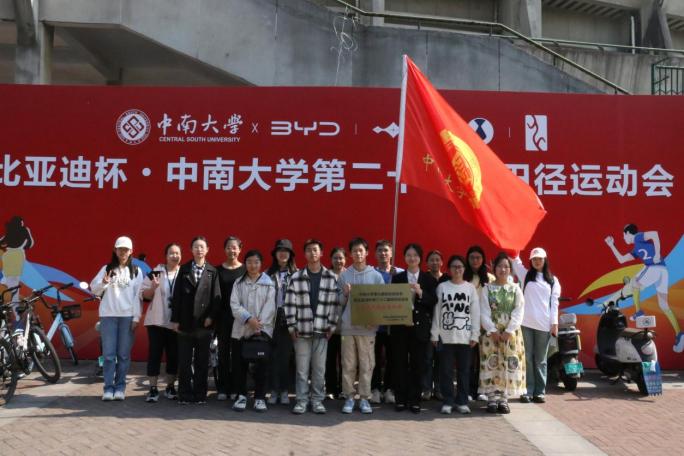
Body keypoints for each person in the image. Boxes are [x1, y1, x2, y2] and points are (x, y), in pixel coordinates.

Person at [605, 224, 683, 352]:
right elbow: (622, 260)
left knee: (635, 282)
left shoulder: (638, 237)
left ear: (628, 233)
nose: (623, 238)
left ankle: (638, 311)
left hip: (654, 268)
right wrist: (611, 245)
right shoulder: (636, 249)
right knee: (664, 305)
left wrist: (657, 253)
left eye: (623, 236)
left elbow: (654, 234)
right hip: (663, 271)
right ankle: (679, 334)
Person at [283, 239, 340, 415]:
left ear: (321, 253)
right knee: (301, 369)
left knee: (319, 369)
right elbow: (289, 304)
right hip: (301, 331)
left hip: (322, 330)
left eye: (315, 250)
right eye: (308, 250)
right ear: (305, 254)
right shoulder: (296, 277)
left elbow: (335, 305)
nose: (312, 253)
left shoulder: (331, 277)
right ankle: (301, 401)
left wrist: (332, 326)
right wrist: (291, 327)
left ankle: (317, 401)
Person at [90, 236, 144, 401]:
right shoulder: (106, 269)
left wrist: (136, 318)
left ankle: (120, 387)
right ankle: (108, 388)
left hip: (127, 317)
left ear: (131, 251)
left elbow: (138, 296)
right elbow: (94, 289)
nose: (123, 252)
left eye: (126, 249)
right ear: (115, 250)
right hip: (108, 316)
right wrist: (103, 282)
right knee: (108, 355)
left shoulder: (136, 271)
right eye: (120, 249)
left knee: (123, 355)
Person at [170, 236, 222, 404]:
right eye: (196, 247)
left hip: (204, 324)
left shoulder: (212, 272)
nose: (199, 250)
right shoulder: (184, 270)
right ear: (191, 250)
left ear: (207, 250)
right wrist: (175, 319)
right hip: (185, 322)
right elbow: (176, 297)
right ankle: (184, 394)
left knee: (202, 361)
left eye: (202, 247)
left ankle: (200, 394)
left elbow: (216, 298)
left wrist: (211, 317)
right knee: (184, 362)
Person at [338, 238, 384, 414]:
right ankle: (349, 397)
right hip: (348, 327)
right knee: (348, 364)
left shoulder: (375, 276)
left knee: (367, 364)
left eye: (361, 250)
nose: (358, 253)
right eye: (354, 251)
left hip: (368, 329)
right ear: (350, 254)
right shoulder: (344, 275)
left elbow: (381, 302)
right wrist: (345, 294)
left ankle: (364, 398)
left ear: (367, 253)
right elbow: (339, 302)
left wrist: (376, 320)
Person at [391, 243, 438, 413]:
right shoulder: (397, 278)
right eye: (408, 255)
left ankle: (415, 400)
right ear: (404, 258)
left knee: (418, 365)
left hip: (420, 329)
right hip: (400, 328)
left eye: (415, 255)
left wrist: (421, 293)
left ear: (420, 258)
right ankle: (400, 399)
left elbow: (433, 301)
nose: (412, 258)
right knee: (400, 363)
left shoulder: (428, 279)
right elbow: (391, 302)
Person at [431, 255, 480, 415]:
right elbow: (437, 312)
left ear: (464, 269)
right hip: (445, 337)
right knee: (445, 371)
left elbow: (475, 313)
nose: (457, 269)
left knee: (464, 371)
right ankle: (448, 401)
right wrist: (434, 334)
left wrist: (475, 335)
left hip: (465, 337)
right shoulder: (442, 287)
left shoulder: (470, 288)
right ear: (449, 269)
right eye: (454, 266)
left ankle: (462, 401)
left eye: (460, 266)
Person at [512, 247, 560, 404]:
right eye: (534, 259)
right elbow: (515, 261)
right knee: (526, 358)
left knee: (540, 359)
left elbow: (554, 303)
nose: (537, 261)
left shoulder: (553, 281)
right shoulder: (526, 275)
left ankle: (539, 392)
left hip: (543, 325)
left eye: (540, 259)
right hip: (526, 323)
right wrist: (514, 248)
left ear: (545, 260)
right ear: (531, 261)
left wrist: (554, 323)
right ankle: (527, 390)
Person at [230, 250, 276, 413]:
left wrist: (258, 325)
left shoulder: (268, 283)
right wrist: (249, 319)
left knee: (262, 366)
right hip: (241, 330)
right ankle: (241, 396)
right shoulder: (238, 283)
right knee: (239, 365)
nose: (252, 265)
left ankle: (260, 397)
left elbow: (270, 307)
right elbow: (234, 305)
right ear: (245, 264)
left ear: (261, 264)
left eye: (256, 262)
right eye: (249, 262)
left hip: (262, 331)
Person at [480, 253, 525, 414]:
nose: (503, 269)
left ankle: (503, 399)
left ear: (510, 269)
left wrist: (509, 330)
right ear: (494, 268)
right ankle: (491, 398)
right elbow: (484, 311)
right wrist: (492, 330)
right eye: (500, 266)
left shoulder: (515, 289)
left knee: (507, 363)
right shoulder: (487, 289)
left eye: (506, 266)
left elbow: (519, 311)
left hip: (510, 335)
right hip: (491, 334)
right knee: (492, 362)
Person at [141, 243, 182, 402]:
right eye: (171, 253)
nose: (174, 256)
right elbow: (144, 295)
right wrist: (153, 287)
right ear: (166, 256)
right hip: (156, 321)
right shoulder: (155, 272)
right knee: (154, 355)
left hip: (175, 322)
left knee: (174, 355)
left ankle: (170, 387)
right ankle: (152, 389)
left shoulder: (184, 273)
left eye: (177, 253)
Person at [370, 240, 401, 405]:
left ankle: (389, 389)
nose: (383, 253)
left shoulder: (399, 273)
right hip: (375, 326)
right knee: (373, 359)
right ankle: (375, 388)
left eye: (386, 250)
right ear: (375, 254)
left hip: (393, 326)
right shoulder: (371, 273)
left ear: (391, 253)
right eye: (380, 250)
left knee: (393, 358)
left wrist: (397, 279)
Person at [266, 239, 297, 405]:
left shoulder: (297, 274)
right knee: (272, 356)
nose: (283, 253)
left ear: (290, 255)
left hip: (290, 317)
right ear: (275, 254)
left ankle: (284, 390)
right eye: (280, 251)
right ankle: (273, 390)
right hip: (272, 317)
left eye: (286, 251)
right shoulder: (267, 274)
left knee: (286, 356)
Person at [215, 236, 246, 401]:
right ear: (224, 249)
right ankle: (223, 388)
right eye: (228, 247)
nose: (231, 250)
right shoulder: (217, 270)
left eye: (234, 247)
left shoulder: (245, 270)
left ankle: (236, 388)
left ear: (240, 249)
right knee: (223, 353)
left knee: (238, 354)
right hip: (223, 318)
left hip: (240, 318)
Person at [464, 245, 495, 401]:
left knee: (485, 359)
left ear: (483, 260)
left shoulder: (490, 279)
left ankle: (482, 390)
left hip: (486, 325)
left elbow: (495, 303)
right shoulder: (463, 276)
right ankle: (469, 391)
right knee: (468, 360)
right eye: (472, 257)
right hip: (467, 325)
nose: (475, 260)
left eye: (478, 257)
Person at [422, 250, 444, 401]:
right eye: (431, 260)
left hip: (444, 325)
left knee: (441, 359)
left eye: (437, 260)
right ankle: (426, 389)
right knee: (427, 358)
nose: (435, 262)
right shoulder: (423, 278)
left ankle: (439, 389)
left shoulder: (447, 279)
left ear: (442, 262)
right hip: (427, 323)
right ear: (427, 263)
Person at [0, 216, 34, 311]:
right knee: (14, 281)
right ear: (20, 223)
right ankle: (15, 306)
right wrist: (23, 246)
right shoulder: (24, 230)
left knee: (10, 279)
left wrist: (5, 246)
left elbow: (1, 241)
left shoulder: (10, 231)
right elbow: (30, 243)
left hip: (8, 255)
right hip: (17, 255)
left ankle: (11, 301)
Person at [326, 247, 346, 400]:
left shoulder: (349, 275)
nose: (338, 261)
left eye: (341, 258)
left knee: (346, 361)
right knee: (330, 359)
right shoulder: (325, 276)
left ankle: (344, 389)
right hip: (329, 326)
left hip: (347, 326)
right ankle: (331, 388)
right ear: (331, 260)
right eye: (335, 258)